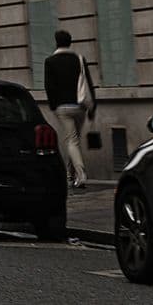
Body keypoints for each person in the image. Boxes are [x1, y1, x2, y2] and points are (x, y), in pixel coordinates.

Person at [43, 30, 96, 188]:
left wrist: (53, 105)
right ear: (70, 41)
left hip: (62, 108)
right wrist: (92, 107)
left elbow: (49, 86)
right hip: (79, 106)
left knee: (71, 141)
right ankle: (69, 174)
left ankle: (81, 174)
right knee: (74, 141)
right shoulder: (79, 59)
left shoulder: (50, 61)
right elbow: (89, 84)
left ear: (56, 42)